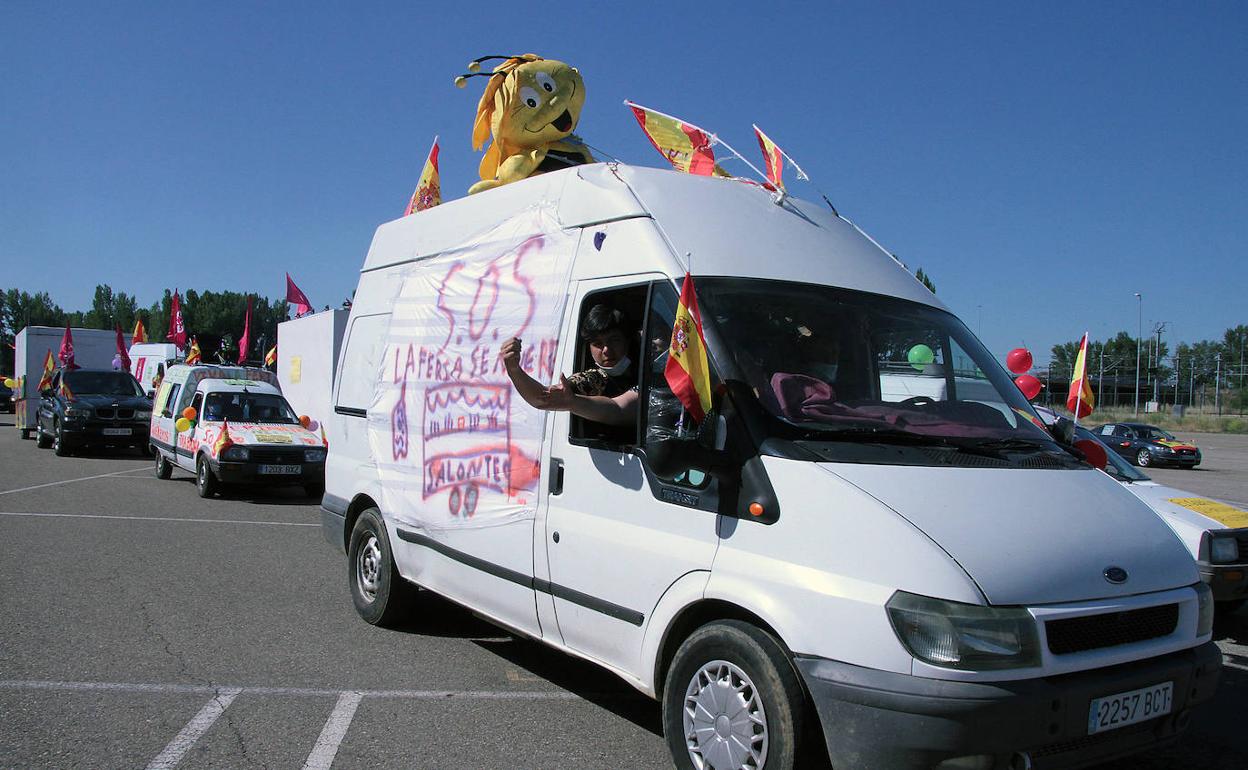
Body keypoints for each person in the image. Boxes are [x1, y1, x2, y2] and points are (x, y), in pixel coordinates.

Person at [501, 304, 639, 426]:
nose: (606, 350)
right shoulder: (594, 379)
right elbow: (541, 399)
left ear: (627, 340)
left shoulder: (648, 368)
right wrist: (514, 370)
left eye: (614, 340)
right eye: (597, 344)